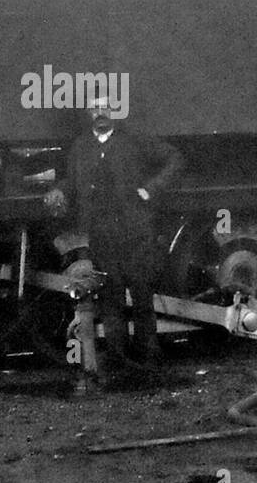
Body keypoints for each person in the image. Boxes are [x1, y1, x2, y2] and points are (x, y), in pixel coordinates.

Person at [45, 96, 183, 381]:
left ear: (113, 111)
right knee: (111, 300)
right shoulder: (81, 147)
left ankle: (150, 358)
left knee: (143, 297)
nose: (100, 113)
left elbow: (174, 158)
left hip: (135, 232)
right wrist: (58, 191)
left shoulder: (134, 141)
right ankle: (119, 360)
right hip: (102, 235)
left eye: (105, 108)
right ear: (88, 113)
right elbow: (71, 182)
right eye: (95, 109)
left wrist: (152, 189)